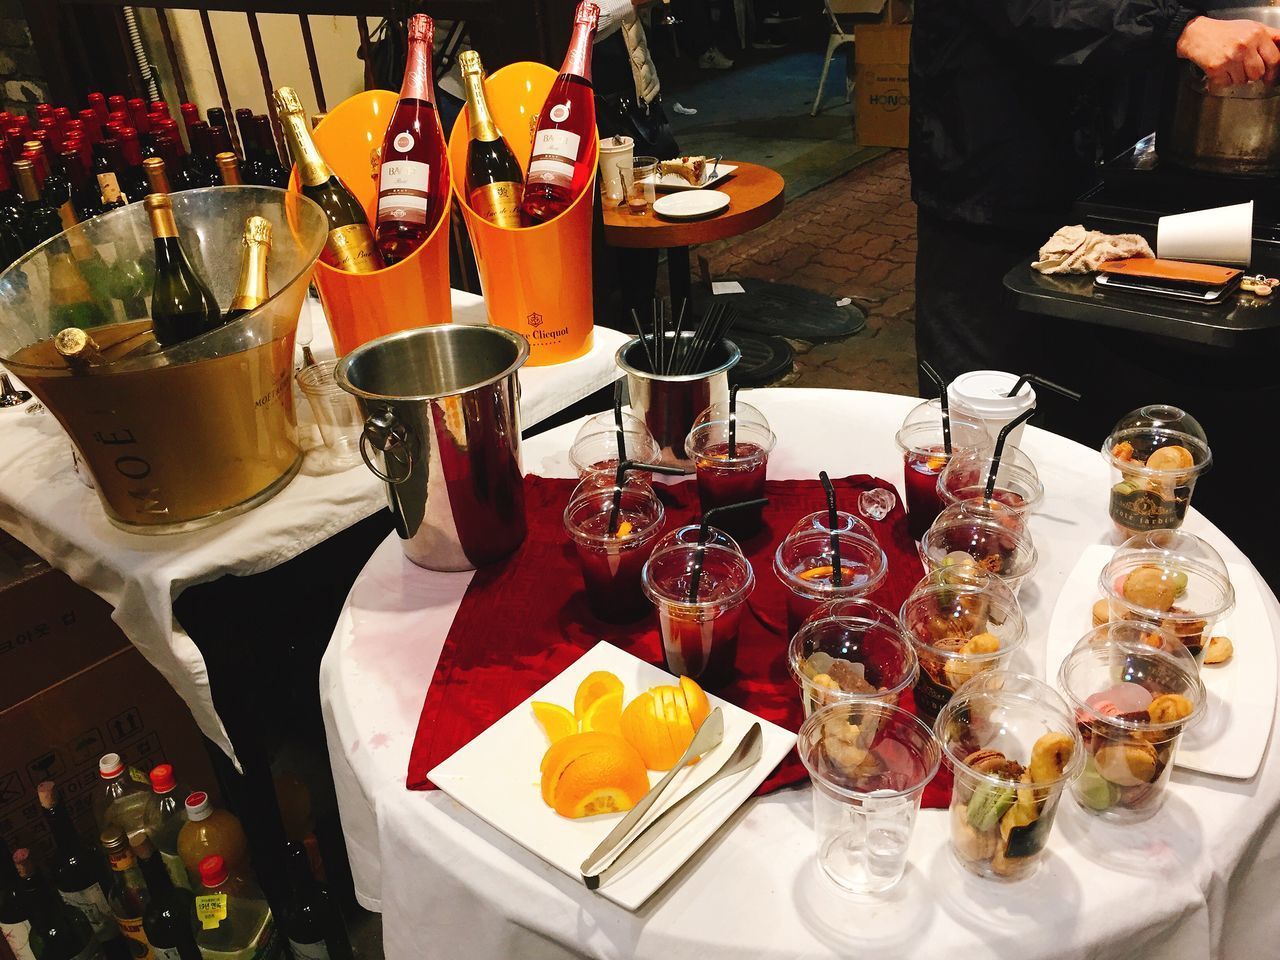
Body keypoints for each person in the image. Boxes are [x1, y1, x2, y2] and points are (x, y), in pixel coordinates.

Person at [909, 5, 1280, 396]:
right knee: (978, 399)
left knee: (1074, 387)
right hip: (988, 182)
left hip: (1085, 174)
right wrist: (1178, 28)